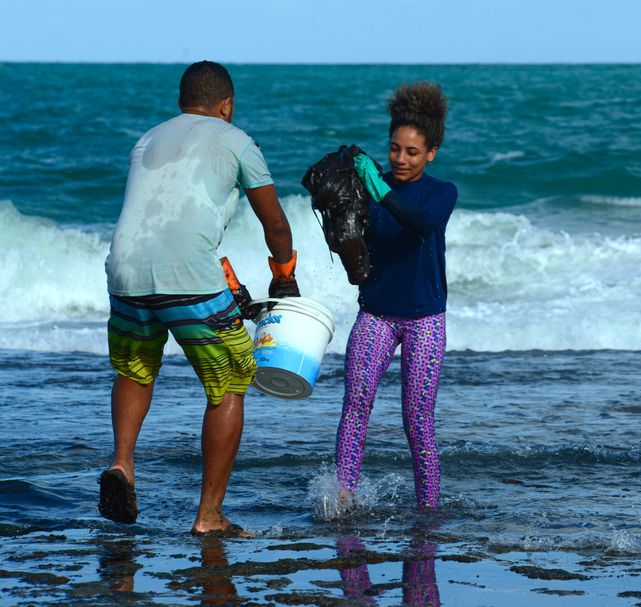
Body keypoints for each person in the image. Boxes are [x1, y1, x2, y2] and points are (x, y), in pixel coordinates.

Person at [100, 60, 300, 536]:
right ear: (226, 105)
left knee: (135, 369)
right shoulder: (236, 141)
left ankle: (123, 465)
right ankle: (209, 515)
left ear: (181, 103)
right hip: (188, 275)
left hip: (125, 272)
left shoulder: (147, 139)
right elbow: (274, 222)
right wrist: (283, 272)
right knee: (231, 380)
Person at [334, 82, 457, 510]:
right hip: (377, 317)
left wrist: (378, 190)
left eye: (411, 152)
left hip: (425, 319)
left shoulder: (442, 192)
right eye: (394, 149)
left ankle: (429, 509)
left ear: (431, 154)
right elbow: (346, 238)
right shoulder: (369, 189)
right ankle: (343, 499)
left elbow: (419, 223)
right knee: (355, 407)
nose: (400, 159)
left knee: (417, 420)